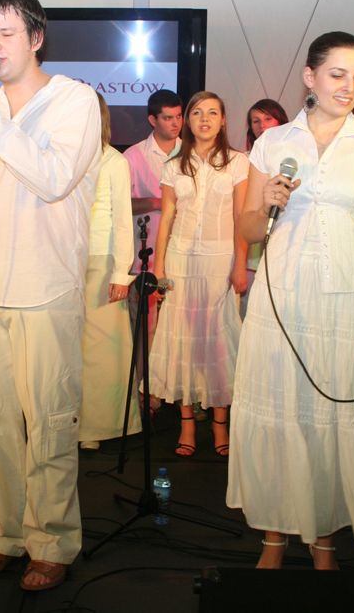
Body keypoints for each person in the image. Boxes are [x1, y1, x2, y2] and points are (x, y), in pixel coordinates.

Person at [226, 32, 354, 571]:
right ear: (310, 77)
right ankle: (274, 537)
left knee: (331, 417)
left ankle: (324, 540)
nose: (349, 86)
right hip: (283, 300)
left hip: (349, 300)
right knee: (281, 417)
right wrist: (265, 201)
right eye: (338, 75)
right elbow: (248, 227)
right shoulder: (272, 144)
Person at [0, 0, 101, 592]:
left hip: (46, 286)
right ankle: (2, 533)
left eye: (6, 34)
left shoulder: (73, 101)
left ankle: (53, 540)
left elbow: (54, 178)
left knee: (50, 420)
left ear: (36, 38)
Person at [148, 91, 249, 457]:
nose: (204, 119)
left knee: (219, 341)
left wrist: (240, 264)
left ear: (223, 120)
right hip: (180, 261)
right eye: (196, 113)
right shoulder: (174, 165)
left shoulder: (239, 162)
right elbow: (166, 220)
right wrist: (158, 268)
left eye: (212, 113)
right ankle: (187, 424)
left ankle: (221, 424)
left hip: (220, 261)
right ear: (187, 121)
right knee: (183, 342)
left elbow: (241, 218)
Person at [78, 94, 141, 452]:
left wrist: (121, 272)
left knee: (102, 351)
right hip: (63, 261)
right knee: (67, 350)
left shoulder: (113, 160)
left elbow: (122, 219)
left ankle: (97, 426)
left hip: (102, 261)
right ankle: (69, 422)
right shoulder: (61, 158)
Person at [122, 90, 184, 388]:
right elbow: (120, 205)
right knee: (145, 328)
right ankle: (144, 392)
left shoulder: (191, 152)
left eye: (179, 116)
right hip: (144, 255)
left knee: (180, 328)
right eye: (168, 118)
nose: (176, 124)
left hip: (182, 253)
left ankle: (179, 390)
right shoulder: (133, 156)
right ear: (152, 119)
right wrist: (159, 202)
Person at [242, 99, 289, 317]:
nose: (262, 125)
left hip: (285, 248)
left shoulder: (293, 157)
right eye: (256, 121)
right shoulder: (244, 160)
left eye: (268, 118)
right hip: (251, 248)